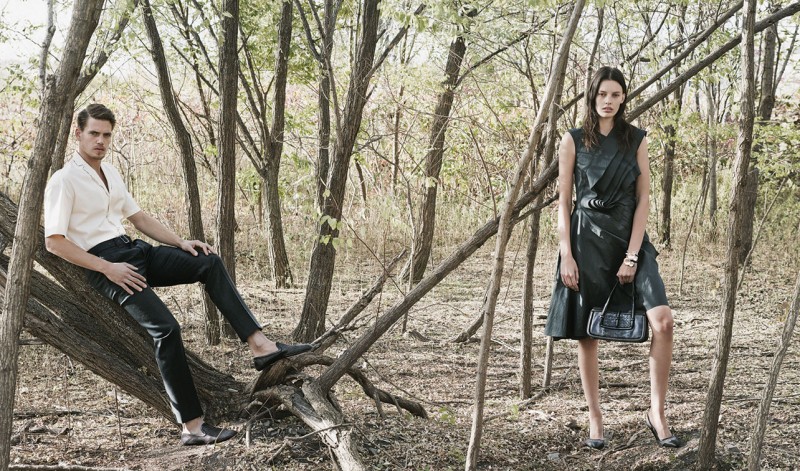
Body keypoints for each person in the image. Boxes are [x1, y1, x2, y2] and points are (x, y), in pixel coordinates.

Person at [43, 104, 313, 446]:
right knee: (167, 329)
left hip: (134, 250)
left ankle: (260, 346)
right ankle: (192, 426)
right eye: (93, 133)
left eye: (106, 135)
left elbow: (139, 218)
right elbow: (54, 242)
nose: (100, 141)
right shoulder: (63, 180)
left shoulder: (109, 172)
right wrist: (107, 268)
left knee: (207, 261)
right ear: (77, 133)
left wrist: (181, 242)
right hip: (107, 264)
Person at [543, 67, 682, 450]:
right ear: (592, 96)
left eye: (616, 94)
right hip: (585, 240)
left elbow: (644, 198)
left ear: (623, 98)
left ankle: (657, 412)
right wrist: (566, 254)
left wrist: (633, 255)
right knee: (587, 334)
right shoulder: (572, 140)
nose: (608, 100)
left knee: (663, 321)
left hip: (628, 237)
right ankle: (595, 417)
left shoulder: (635, 139)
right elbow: (564, 201)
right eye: (602, 93)